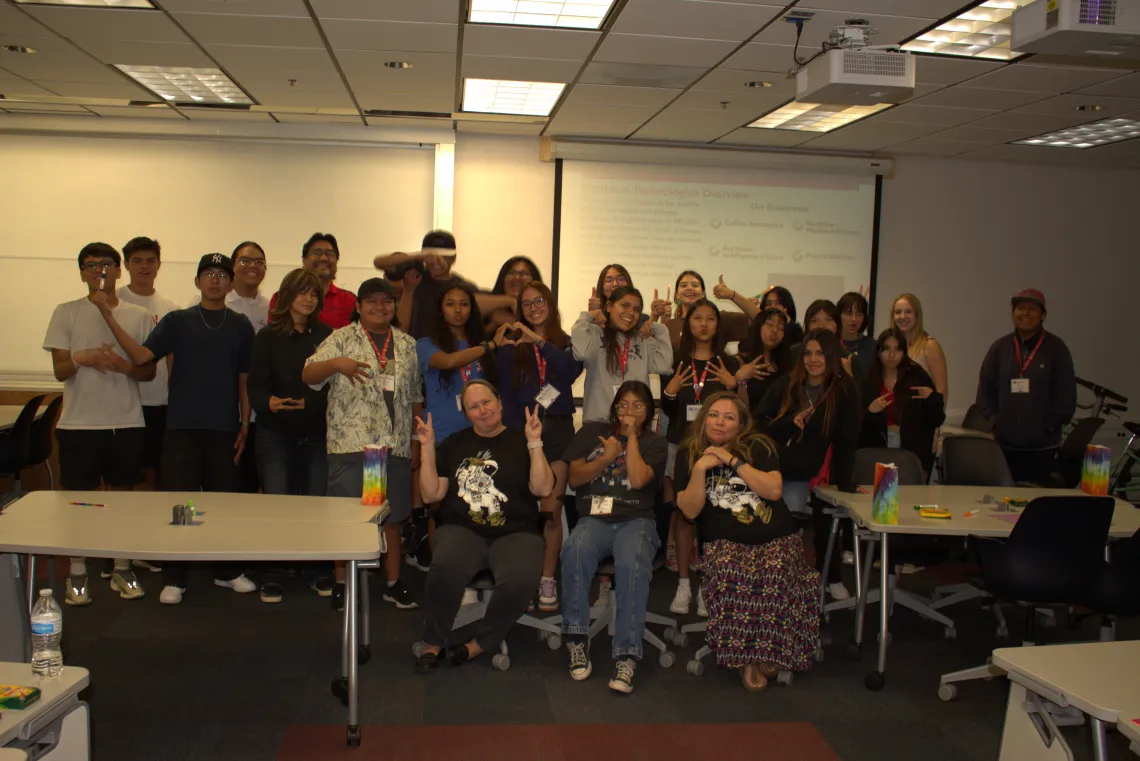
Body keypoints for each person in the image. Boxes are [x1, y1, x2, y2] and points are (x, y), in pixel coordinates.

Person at [99, 253, 256, 605]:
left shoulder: (241, 325)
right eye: (208, 274)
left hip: (224, 428)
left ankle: (228, 571)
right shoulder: (177, 321)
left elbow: (245, 379)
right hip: (181, 428)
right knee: (181, 505)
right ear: (197, 282)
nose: (215, 280)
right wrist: (108, 317)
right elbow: (143, 357)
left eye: (222, 274)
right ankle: (175, 577)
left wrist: (245, 424)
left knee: (223, 504)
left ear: (230, 283)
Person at [675, 391, 821, 692]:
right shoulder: (688, 454)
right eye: (714, 414)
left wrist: (732, 460)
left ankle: (769, 650)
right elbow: (689, 511)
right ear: (704, 419)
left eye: (729, 417)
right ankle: (746, 659)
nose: (720, 422)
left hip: (775, 537)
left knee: (776, 571)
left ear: (741, 425)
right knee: (731, 571)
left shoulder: (759, 446)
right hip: (724, 543)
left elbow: (774, 491)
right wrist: (701, 469)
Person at [413, 380, 553, 673]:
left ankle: (481, 643)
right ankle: (433, 641)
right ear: (466, 414)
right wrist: (427, 448)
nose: (483, 410)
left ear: (500, 403)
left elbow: (542, 488)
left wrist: (535, 443)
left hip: (517, 533)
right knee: (446, 564)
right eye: (473, 407)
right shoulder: (453, 444)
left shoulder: (522, 440)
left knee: (519, 578)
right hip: (463, 530)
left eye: (487, 402)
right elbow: (430, 494)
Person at [43, 242, 156, 605]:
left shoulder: (137, 314)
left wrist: (120, 365)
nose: (99, 272)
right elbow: (61, 370)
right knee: (78, 504)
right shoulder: (66, 312)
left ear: (118, 270)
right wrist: (85, 357)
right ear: (82, 273)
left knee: (122, 502)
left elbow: (147, 371)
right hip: (78, 424)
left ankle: (121, 568)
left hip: (125, 422)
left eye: (106, 265)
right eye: (91, 266)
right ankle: (77, 574)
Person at [303, 278, 424, 610]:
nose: (379, 307)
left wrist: (415, 440)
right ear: (358, 306)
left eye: (387, 301)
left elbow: (416, 396)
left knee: (392, 518)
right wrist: (335, 364)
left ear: (395, 306)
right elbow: (308, 375)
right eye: (371, 301)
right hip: (352, 444)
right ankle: (342, 584)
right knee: (348, 518)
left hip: (393, 446)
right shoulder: (342, 338)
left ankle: (393, 582)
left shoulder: (407, 344)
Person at [559, 381, 667, 694]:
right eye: (623, 404)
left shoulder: (655, 443)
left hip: (637, 520)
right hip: (595, 517)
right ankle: (577, 640)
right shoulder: (592, 432)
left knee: (632, 564)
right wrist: (605, 458)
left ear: (648, 412)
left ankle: (626, 656)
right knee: (574, 549)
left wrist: (630, 438)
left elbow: (637, 479)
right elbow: (575, 477)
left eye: (638, 405)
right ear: (614, 407)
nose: (629, 411)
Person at [494, 281, 582, 612]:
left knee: (550, 511)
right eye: (527, 304)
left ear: (550, 304)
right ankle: (523, 578)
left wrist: (538, 341)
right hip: (522, 432)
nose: (534, 308)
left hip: (557, 431)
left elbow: (569, 371)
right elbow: (506, 390)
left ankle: (547, 578)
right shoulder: (511, 345)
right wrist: (518, 434)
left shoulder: (566, 342)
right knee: (522, 513)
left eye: (539, 301)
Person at [754, 329, 859, 601]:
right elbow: (757, 426)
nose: (813, 359)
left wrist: (845, 486)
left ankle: (831, 577)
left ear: (832, 357)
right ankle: (779, 585)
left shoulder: (844, 391)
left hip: (824, 472)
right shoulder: (786, 385)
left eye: (820, 354)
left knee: (827, 519)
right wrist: (791, 422)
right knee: (785, 530)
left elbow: (848, 443)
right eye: (808, 353)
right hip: (786, 472)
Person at [249, 268, 333, 603]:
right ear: (287, 296)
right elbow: (254, 386)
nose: (309, 298)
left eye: (314, 293)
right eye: (303, 292)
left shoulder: (328, 336)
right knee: (277, 505)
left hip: (316, 433)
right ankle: (272, 572)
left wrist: (309, 403)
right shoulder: (267, 337)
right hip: (275, 434)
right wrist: (267, 402)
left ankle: (316, 570)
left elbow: (333, 389)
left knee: (316, 506)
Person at [659, 299, 739, 615]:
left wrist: (735, 385)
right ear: (688, 323)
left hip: (719, 452)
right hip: (682, 447)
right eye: (697, 318)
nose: (703, 324)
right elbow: (669, 411)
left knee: (714, 516)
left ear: (718, 326)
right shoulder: (677, 361)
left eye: (710, 319)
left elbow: (740, 411)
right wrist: (669, 391)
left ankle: (707, 585)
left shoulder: (727, 363)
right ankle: (682, 586)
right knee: (683, 514)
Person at [976, 289, 1076, 484]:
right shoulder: (1000, 348)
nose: (1025, 314)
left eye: (1032, 309)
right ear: (1013, 314)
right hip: (1004, 446)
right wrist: (996, 421)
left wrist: (1047, 426)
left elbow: (1066, 396)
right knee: (1003, 504)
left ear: (1043, 315)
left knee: (1036, 504)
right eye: (1020, 308)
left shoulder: (1056, 349)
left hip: (1042, 448)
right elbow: (985, 390)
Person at [116, 236, 180, 495]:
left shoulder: (170, 308)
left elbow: (174, 359)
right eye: (137, 260)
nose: (145, 266)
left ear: (159, 265)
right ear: (126, 265)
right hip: (121, 402)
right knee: (125, 477)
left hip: (158, 403)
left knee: (155, 474)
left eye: (150, 260)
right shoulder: (113, 303)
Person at [373, 230, 515, 340]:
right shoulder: (414, 276)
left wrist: (511, 301)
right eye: (431, 256)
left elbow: (478, 321)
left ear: (453, 258)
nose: (437, 261)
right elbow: (379, 262)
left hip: (450, 355)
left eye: (444, 256)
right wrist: (418, 256)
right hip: (414, 352)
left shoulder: (464, 286)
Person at [572, 284, 673, 423]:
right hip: (599, 424)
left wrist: (657, 328)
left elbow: (663, 366)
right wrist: (587, 316)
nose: (631, 312)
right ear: (608, 306)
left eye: (636, 309)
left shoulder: (642, 340)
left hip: (635, 425)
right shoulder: (596, 334)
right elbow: (581, 352)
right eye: (624, 305)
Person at [416, 279, 499, 446]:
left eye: (464, 304)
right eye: (450, 304)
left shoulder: (479, 345)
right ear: (440, 310)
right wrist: (490, 346)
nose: (458, 310)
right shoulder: (426, 344)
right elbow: (448, 362)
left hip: (479, 434)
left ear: (471, 310)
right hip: (441, 436)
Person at [860, 328, 946, 476]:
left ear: (904, 352)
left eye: (897, 349)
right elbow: (857, 425)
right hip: (880, 453)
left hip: (911, 452)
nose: (892, 355)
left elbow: (937, 418)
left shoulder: (916, 375)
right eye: (886, 349)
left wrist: (932, 399)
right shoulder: (870, 379)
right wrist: (870, 412)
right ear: (879, 351)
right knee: (886, 498)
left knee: (912, 498)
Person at [270, 233, 357, 330]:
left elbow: (355, 338)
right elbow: (275, 335)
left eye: (329, 254)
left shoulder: (349, 300)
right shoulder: (282, 297)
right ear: (304, 261)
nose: (324, 258)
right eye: (316, 253)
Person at [652, 271, 751, 349]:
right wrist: (654, 316)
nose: (689, 288)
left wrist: (733, 296)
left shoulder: (719, 319)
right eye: (683, 285)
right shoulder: (669, 326)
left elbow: (760, 320)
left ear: (703, 293)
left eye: (695, 285)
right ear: (677, 295)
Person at [892, 293, 948, 409]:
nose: (902, 316)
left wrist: (936, 422)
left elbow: (941, 389)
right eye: (898, 312)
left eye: (908, 312)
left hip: (922, 418)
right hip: (896, 420)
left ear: (917, 315)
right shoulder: (892, 347)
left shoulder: (929, 345)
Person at [736, 307, 793, 414]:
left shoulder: (786, 366)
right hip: (750, 425)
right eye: (770, 325)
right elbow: (740, 410)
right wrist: (741, 381)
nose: (775, 330)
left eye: (781, 328)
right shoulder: (740, 361)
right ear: (758, 327)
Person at [487, 256, 542, 332]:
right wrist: (511, 301)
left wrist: (512, 321)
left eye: (525, 274)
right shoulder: (491, 306)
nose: (517, 278)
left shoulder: (543, 308)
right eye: (512, 273)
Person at [838, 291, 877, 383]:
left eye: (859, 314)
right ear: (839, 315)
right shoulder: (832, 343)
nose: (854, 319)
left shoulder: (873, 347)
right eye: (848, 314)